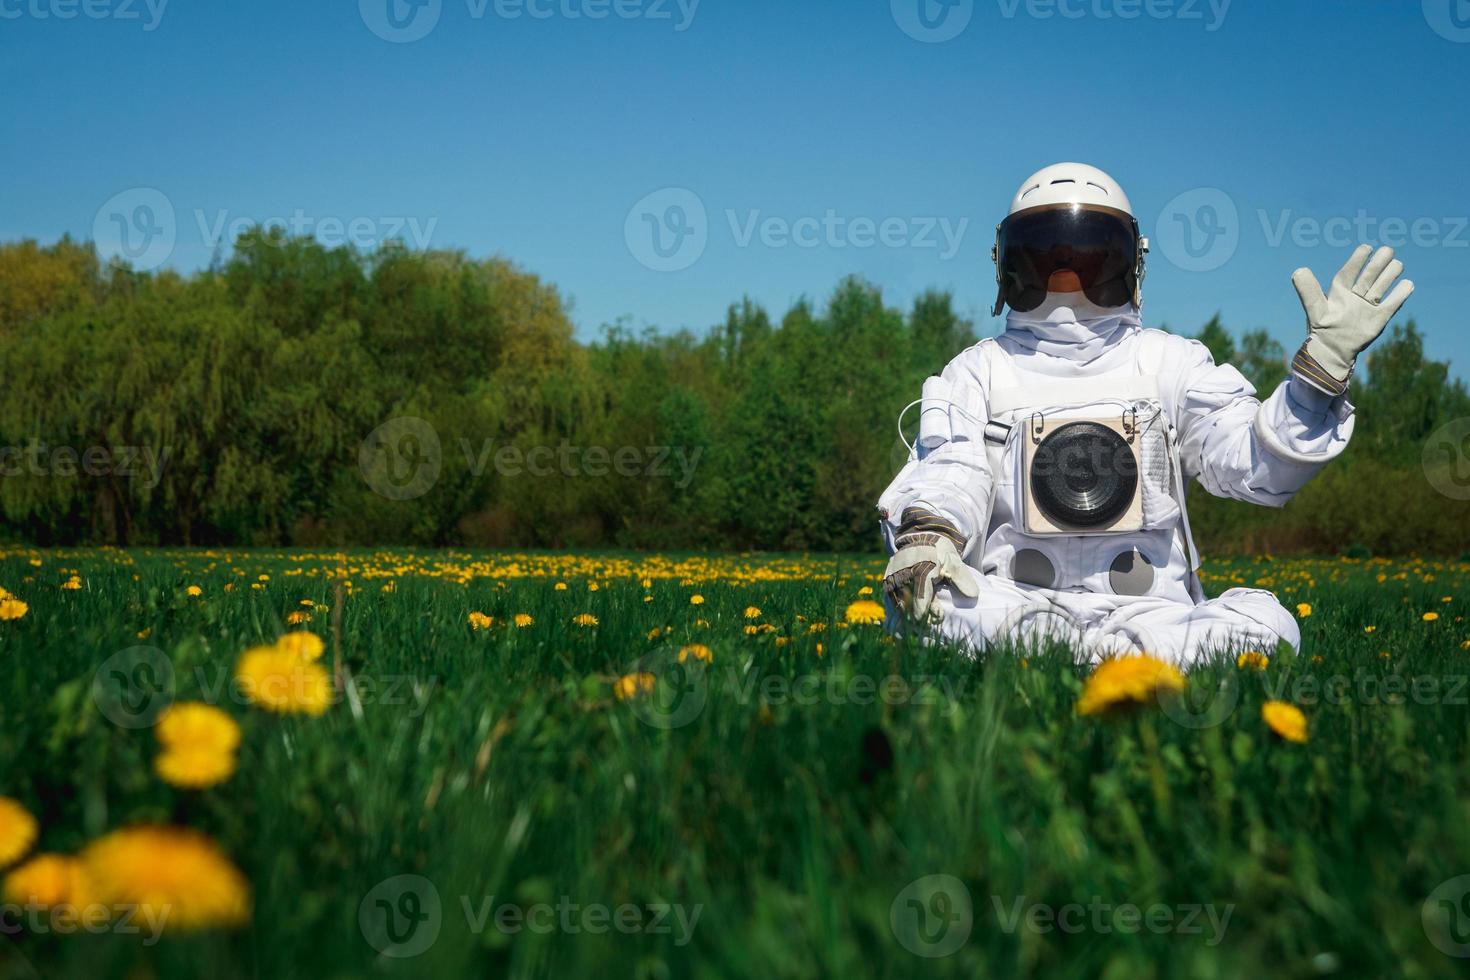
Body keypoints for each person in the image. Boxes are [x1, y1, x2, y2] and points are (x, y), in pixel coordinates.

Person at [879, 163, 1414, 664]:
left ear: (1132, 262)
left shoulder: (1170, 363)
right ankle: (1123, 662)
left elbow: (1257, 465)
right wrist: (928, 538)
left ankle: (1057, 656)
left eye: (1090, 260)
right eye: (1046, 260)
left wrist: (1319, 377)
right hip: (1014, 599)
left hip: (1151, 608)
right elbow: (951, 470)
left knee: (1270, 625)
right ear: (1008, 266)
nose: (1068, 280)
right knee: (924, 606)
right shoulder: (979, 370)